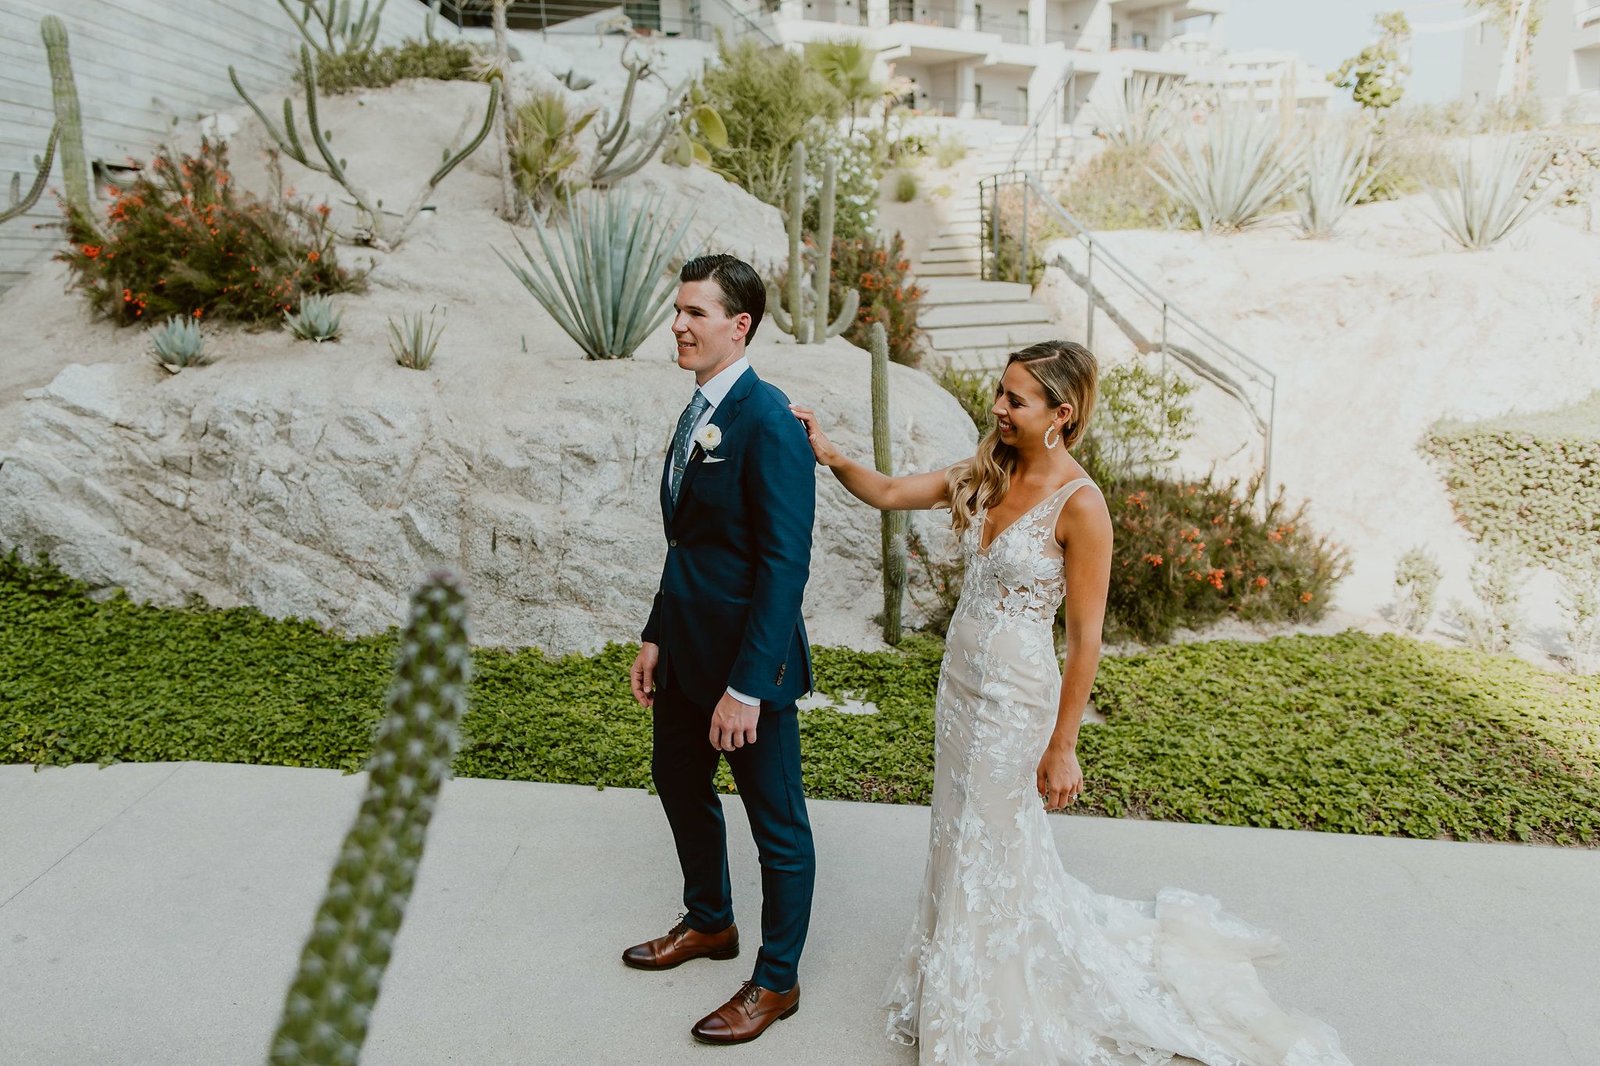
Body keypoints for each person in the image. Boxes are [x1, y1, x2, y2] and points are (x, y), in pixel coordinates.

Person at [790, 341, 1353, 1065]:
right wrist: (831, 455)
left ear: (1062, 413)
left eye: (1015, 400)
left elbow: (1086, 638)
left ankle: (990, 997)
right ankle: (953, 969)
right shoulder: (990, 470)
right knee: (955, 828)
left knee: (993, 838)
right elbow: (894, 494)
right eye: (1000, 391)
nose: (998, 407)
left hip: (1016, 695)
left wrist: (1063, 745)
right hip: (959, 683)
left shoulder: (1082, 506)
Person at [626, 253, 818, 1046]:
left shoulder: (768, 420)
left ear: (739, 326)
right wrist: (655, 631)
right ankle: (710, 921)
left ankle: (776, 980)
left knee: (778, 824)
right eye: (677, 310)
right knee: (676, 778)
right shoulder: (698, 407)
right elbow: (691, 546)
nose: (678, 324)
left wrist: (748, 686)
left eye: (696, 313)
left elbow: (784, 565)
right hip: (685, 654)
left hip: (747, 669)